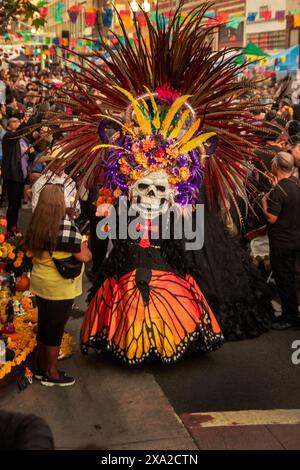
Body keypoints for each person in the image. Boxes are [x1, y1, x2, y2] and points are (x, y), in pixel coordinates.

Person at [25, 185, 92, 386]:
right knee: (54, 330)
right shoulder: (66, 228)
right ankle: (52, 373)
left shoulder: (36, 224)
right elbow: (85, 256)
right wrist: (85, 243)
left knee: (45, 326)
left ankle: (41, 367)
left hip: (40, 283)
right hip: (59, 287)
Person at [262, 152, 300, 330]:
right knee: (292, 277)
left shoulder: (280, 190)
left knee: (284, 279)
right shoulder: (295, 184)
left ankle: (289, 316)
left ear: (275, 166)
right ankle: (293, 313)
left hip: (281, 242)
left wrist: (263, 203)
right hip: (295, 238)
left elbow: (272, 218)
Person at [1, 117, 25, 232]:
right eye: (14, 121)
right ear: (8, 125)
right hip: (12, 175)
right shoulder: (8, 136)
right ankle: (10, 230)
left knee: (17, 206)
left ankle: (14, 228)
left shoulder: (21, 139)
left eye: (18, 121)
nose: (17, 123)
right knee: (12, 205)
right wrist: (25, 121)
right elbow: (19, 132)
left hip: (19, 175)